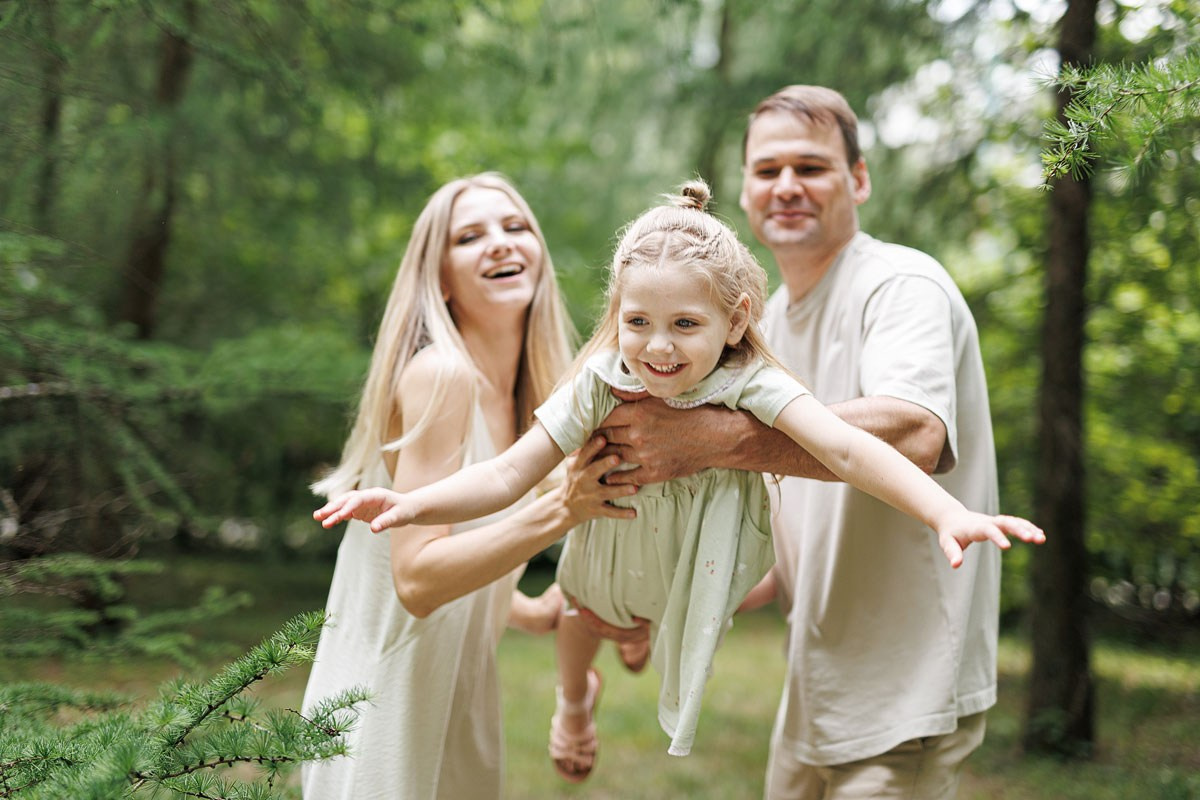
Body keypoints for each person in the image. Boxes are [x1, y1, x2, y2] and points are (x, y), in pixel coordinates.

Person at [314, 180, 1044, 783]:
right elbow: (504, 477)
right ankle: (579, 695)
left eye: (685, 324)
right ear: (618, 315)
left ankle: (609, 666)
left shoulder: (748, 384)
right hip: (416, 668)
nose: (658, 346)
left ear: (736, 321)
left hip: (649, 584)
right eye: (638, 321)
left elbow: (848, 450)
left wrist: (944, 512)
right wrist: (411, 502)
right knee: (582, 606)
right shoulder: (593, 380)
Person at [594, 85, 1027, 799]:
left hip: (905, 685)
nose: (787, 185)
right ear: (744, 190)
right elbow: (782, 535)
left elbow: (917, 432)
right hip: (816, 685)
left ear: (858, 179)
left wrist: (714, 440)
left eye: (812, 167)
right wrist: (664, 603)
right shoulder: (756, 326)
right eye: (767, 170)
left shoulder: (900, 283)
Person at [300, 172, 638, 800]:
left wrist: (535, 611)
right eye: (470, 237)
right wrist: (561, 512)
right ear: (442, 279)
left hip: (462, 697)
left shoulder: (541, 402)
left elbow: (465, 553)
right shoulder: (441, 377)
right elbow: (417, 581)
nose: (500, 243)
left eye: (514, 227)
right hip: (385, 706)